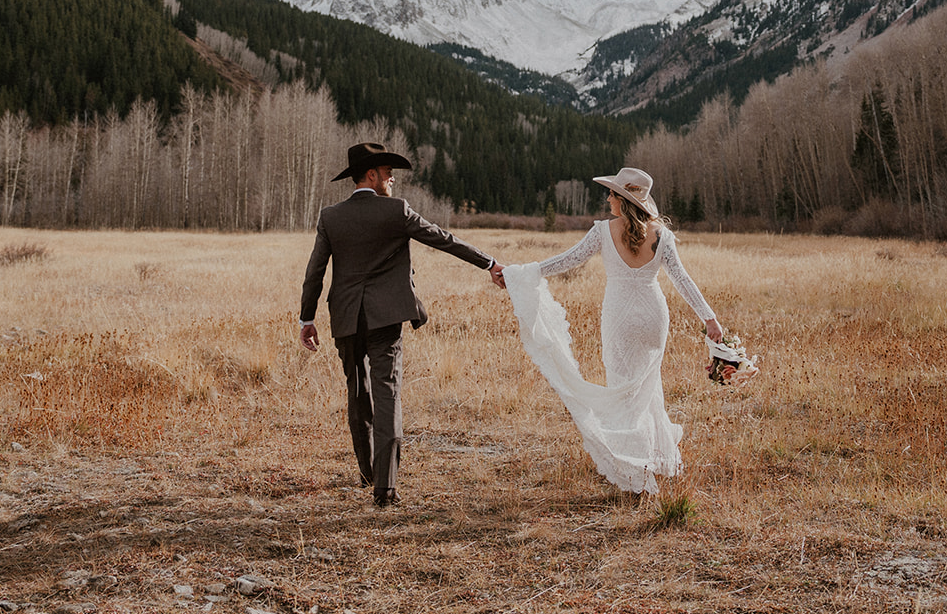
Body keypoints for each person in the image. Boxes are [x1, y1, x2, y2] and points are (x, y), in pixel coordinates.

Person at [502, 167, 757, 494]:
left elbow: (569, 260)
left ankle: (633, 467)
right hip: (654, 315)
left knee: (623, 387)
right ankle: (651, 458)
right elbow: (682, 279)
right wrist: (709, 318)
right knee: (648, 388)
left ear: (623, 199)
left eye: (612, 193)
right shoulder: (661, 234)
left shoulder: (603, 231)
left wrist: (525, 273)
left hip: (620, 316)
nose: (608, 197)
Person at [300, 142, 506, 508]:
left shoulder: (330, 216)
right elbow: (443, 239)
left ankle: (367, 473)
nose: (392, 179)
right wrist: (488, 263)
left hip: (346, 317)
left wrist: (307, 318)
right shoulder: (395, 211)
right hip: (386, 317)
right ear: (371, 175)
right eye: (387, 172)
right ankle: (385, 487)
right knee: (387, 393)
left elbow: (315, 271)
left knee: (358, 394)